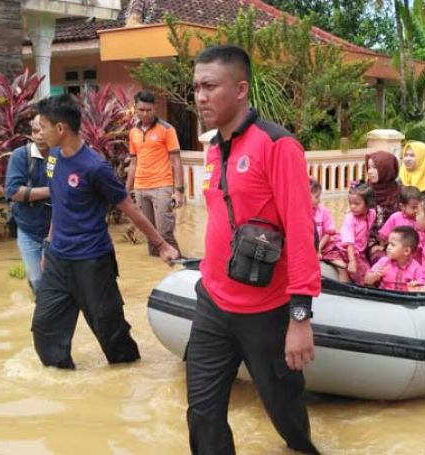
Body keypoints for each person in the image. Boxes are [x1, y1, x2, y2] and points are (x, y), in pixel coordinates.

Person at [186, 45, 321, 455]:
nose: (200, 97)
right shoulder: (213, 149)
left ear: (241, 89)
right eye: (195, 88)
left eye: (210, 86)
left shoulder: (277, 145)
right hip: (213, 303)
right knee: (202, 412)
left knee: (285, 412)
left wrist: (300, 316)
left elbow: (301, 232)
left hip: (267, 311)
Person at [32, 94, 179, 370]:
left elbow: (128, 208)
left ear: (61, 128)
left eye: (43, 127)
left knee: (110, 331)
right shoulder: (52, 158)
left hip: (92, 261)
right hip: (57, 260)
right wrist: (48, 245)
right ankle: (65, 386)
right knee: (44, 328)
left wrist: (160, 244)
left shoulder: (94, 167)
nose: (39, 134)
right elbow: (59, 203)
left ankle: (128, 376)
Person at [126, 90, 184, 256]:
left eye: (148, 110)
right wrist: (126, 191)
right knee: (150, 235)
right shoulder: (133, 133)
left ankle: (178, 268)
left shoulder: (167, 129)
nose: (145, 113)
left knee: (165, 232)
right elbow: (133, 162)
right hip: (140, 187)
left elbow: (176, 160)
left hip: (162, 186)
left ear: (155, 109)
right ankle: (156, 272)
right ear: (135, 109)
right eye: (141, 110)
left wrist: (178, 191)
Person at [5, 115, 52, 292]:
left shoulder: (63, 155)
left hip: (59, 232)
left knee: (59, 283)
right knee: (38, 282)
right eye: (35, 131)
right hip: (29, 231)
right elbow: (13, 191)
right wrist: (51, 191)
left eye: (43, 130)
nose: (39, 136)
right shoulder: (21, 156)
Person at [335, 182, 377, 284]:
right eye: (350, 203)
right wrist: (352, 261)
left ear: (368, 204)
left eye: (357, 204)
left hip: (359, 251)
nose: (353, 207)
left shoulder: (372, 213)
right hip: (347, 251)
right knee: (361, 274)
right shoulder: (350, 218)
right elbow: (349, 242)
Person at [365, 150, 401, 263]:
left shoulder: (400, 192)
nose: (370, 171)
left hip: (398, 241)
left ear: (387, 169)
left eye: (375, 167)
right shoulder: (364, 191)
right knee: (383, 260)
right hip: (370, 242)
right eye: (369, 167)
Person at [364, 226, 423, 291]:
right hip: (383, 297)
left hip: (403, 299)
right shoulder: (384, 261)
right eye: (388, 243)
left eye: (393, 245)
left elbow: (422, 288)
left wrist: (415, 288)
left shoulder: (416, 268)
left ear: (406, 251)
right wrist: (375, 275)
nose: (388, 247)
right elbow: (367, 281)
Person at [377, 185, 425, 260]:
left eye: (418, 207)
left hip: (417, 258)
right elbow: (383, 235)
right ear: (402, 206)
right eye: (413, 207)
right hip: (398, 256)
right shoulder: (395, 217)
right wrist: (382, 246)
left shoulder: (421, 219)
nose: (416, 210)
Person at [310, 179, 338, 260]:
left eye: (319, 196)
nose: (319, 200)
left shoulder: (323, 211)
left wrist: (318, 248)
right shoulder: (300, 212)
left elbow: (328, 233)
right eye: (316, 197)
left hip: (322, 246)